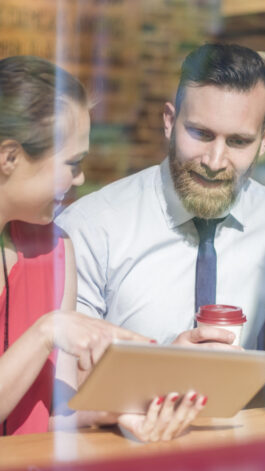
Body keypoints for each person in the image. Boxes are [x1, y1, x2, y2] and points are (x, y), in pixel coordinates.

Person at [0, 55, 207, 441]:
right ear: (10, 157)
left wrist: (122, 411)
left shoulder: (58, 251)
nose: (80, 178)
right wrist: (45, 332)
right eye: (73, 162)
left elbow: (50, 413)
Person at [56, 43, 265, 349]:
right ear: (169, 122)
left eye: (238, 141)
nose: (215, 162)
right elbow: (65, 375)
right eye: (201, 134)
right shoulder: (92, 226)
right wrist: (162, 370)